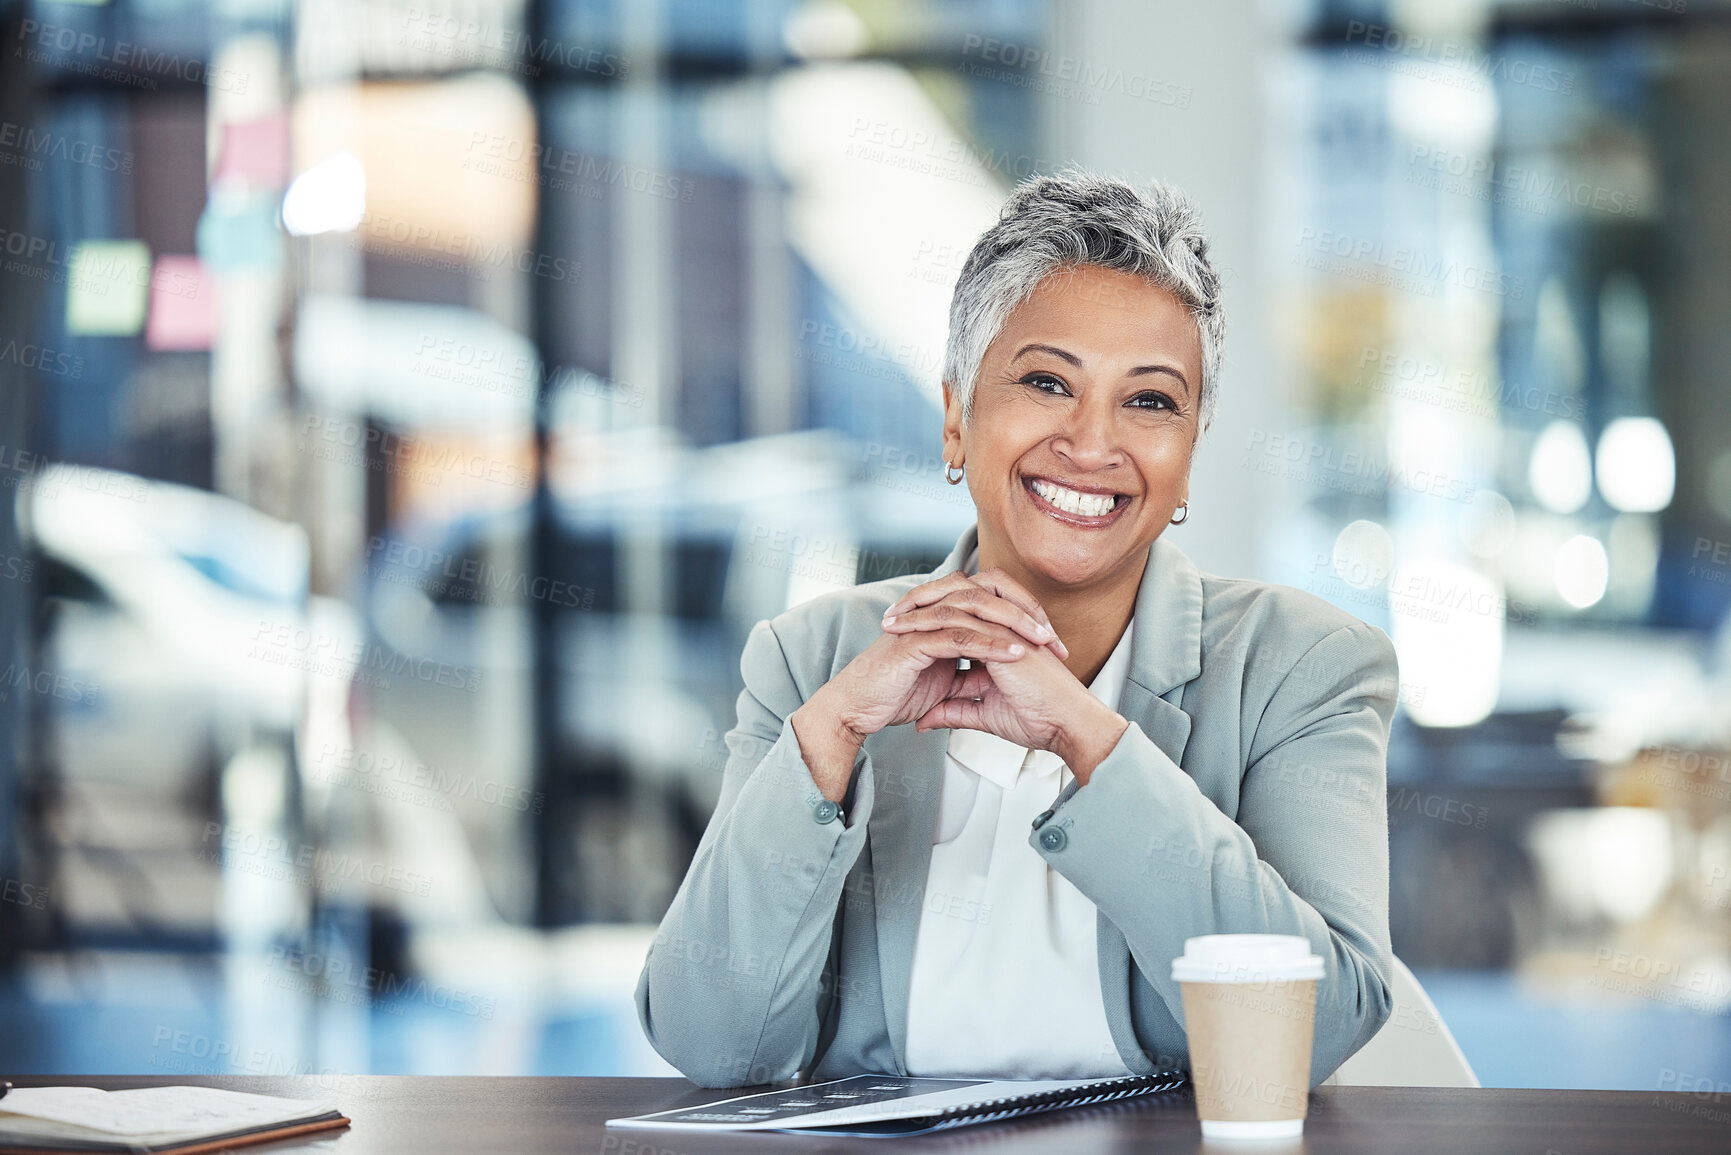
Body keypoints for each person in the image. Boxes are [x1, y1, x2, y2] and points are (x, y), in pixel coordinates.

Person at [636, 169, 1397, 1090]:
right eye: (1045, 381)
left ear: (1189, 451)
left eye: (1150, 400)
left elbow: (1317, 1030)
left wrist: (1085, 734)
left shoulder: (1303, 666)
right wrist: (830, 736)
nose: (1090, 442)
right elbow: (712, 1041)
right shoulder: (811, 663)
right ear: (956, 415)